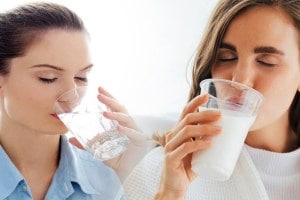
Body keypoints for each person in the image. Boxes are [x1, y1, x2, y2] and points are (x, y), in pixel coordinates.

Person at [124, 0, 300, 199]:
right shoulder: (164, 170)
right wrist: (170, 193)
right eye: (226, 57)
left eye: (266, 62)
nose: (239, 79)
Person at [0, 2, 142, 199]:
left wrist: (139, 177)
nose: (73, 96)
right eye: (48, 78)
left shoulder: (111, 177)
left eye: (81, 77)